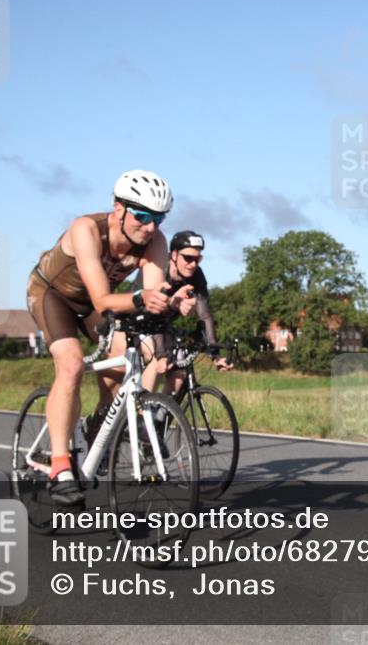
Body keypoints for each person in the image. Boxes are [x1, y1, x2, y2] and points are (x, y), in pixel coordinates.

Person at [25, 170, 194, 507]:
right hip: (52, 295)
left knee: (131, 353)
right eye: (142, 216)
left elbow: (153, 291)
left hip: (92, 304)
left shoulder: (156, 242)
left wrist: (171, 302)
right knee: (71, 366)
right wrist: (143, 299)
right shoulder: (87, 229)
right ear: (118, 208)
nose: (150, 227)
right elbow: (104, 300)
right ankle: (60, 466)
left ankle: (98, 424)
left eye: (158, 218)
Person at [139, 230, 233, 398]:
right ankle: (140, 416)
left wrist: (215, 354)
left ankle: (159, 420)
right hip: (138, 321)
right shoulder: (160, 269)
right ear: (174, 255)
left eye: (198, 259)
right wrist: (161, 354)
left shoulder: (196, 275)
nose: (193, 264)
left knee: (179, 375)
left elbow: (204, 316)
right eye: (188, 258)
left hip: (162, 326)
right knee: (156, 361)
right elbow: (154, 315)